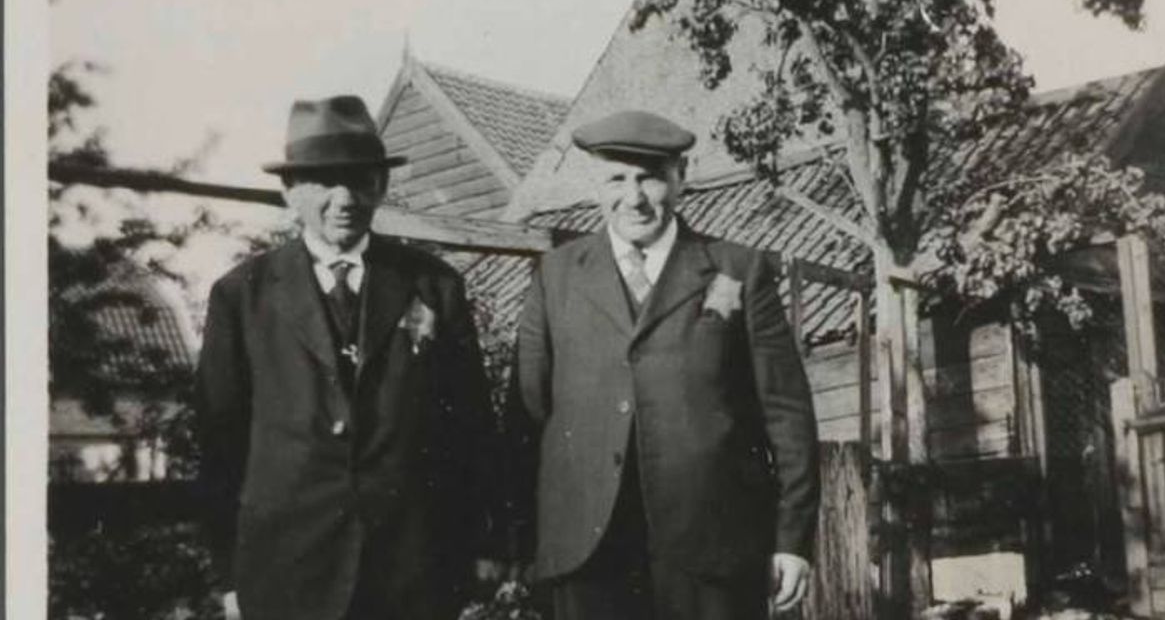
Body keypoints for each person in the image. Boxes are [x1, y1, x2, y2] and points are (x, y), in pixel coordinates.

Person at [196, 95, 499, 620]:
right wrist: (229, 573)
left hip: (411, 572)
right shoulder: (242, 295)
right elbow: (220, 444)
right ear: (289, 192)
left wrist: (481, 544)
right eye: (322, 180)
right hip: (287, 569)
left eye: (360, 179)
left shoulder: (433, 284)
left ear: (381, 187)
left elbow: (469, 428)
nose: (344, 198)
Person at [515, 110, 820, 620]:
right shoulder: (557, 275)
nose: (633, 198)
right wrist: (519, 540)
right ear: (596, 184)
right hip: (588, 553)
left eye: (650, 178)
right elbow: (526, 414)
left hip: (712, 551)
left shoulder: (736, 269)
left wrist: (792, 538)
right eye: (616, 179)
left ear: (682, 176)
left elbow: (787, 413)